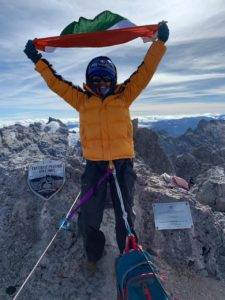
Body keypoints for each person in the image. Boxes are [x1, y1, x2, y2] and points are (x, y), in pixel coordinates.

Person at [24, 22, 169, 269]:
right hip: (95, 166)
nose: (101, 83)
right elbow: (56, 83)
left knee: (126, 217)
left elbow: (145, 71)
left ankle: (128, 257)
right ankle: (94, 256)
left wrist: (159, 44)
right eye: (96, 79)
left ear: (113, 80)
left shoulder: (125, 94)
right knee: (89, 216)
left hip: (123, 165)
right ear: (89, 80)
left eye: (106, 79)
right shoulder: (81, 100)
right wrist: (37, 59)